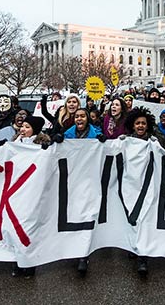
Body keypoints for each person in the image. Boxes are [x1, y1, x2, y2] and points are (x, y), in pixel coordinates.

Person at [54, 108, 106, 275]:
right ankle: (74, 249)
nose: (79, 119)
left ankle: (83, 255)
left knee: (87, 216)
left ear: (87, 119)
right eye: (77, 116)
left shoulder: (96, 134)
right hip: (72, 182)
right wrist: (57, 141)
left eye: (82, 116)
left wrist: (103, 142)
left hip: (90, 182)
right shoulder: (67, 135)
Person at [121, 107, 156, 275]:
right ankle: (133, 245)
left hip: (148, 185)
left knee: (145, 219)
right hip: (130, 185)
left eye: (143, 123)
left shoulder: (154, 142)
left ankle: (143, 256)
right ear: (132, 125)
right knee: (132, 217)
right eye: (137, 123)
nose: (140, 126)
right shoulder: (125, 141)